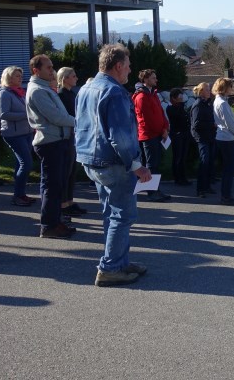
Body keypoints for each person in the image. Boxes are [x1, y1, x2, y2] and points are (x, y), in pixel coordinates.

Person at [76, 44, 150, 287]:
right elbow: (120, 136)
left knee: (111, 214)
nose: (130, 71)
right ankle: (109, 268)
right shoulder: (115, 92)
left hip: (91, 160)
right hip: (113, 162)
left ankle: (118, 262)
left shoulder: (86, 87)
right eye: (128, 66)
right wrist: (137, 165)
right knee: (123, 215)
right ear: (118, 66)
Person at [26, 55, 77, 239]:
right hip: (50, 143)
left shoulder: (44, 88)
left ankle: (55, 221)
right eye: (48, 67)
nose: (52, 70)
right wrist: (80, 121)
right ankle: (48, 225)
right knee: (52, 186)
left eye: (52, 67)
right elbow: (56, 117)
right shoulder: (38, 91)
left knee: (56, 185)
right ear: (36, 70)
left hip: (58, 141)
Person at [0, 66, 36, 207]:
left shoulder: (19, 93)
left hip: (26, 132)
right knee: (26, 163)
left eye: (20, 76)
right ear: (9, 77)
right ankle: (18, 195)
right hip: (13, 134)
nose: (20, 78)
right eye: (17, 76)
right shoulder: (4, 94)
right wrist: (26, 115)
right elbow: (4, 114)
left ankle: (21, 194)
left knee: (21, 163)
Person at [132, 69, 171, 202]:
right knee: (151, 164)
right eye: (153, 78)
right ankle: (151, 192)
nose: (156, 80)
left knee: (155, 163)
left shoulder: (153, 94)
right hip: (148, 135)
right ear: (146, 79)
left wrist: (165, 127)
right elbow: (147, 120)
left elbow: (160, 112)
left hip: (157, 133)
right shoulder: (141, 97)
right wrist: (161, 130)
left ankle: (155, 189)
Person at [57, 67, 87, 218]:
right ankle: (63, 204)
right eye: (73, 76)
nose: (76, 78)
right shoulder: (61, 94)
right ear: (65, 78)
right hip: (68, 134)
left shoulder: (71, 93)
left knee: (72, 171)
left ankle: (69, 201)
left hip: (74, 134)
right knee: (66, 171)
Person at [212, 77, 234, 204]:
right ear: (225, 88)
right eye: (230, 86)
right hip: (227, 138)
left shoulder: (218, 101)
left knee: (227, 168)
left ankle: (226, 195)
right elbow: (231, 123)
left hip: (222, 137)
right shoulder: (223, 103)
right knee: (230, 168)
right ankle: (226, 196)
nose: (232, 89)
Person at [189, 82, 216, 198]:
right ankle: (200, 189)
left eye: (209, 89)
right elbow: (196, 124)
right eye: (206, 90)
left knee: (209, 162)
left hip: (209, 136)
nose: (209, 91)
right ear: (201, 92)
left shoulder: (208, 104)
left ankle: (207, 186)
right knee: (204, 162)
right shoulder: (198, 105)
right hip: (202, 138)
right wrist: (212, 124)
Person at [166, 87, 191, 186]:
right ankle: (177, 178)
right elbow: (177, 117)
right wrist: (180, 106)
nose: (181, 98)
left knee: (183, 157)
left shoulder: (182, 106)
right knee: (178, 157)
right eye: (179, 97)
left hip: (185, 133)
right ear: (173, 98)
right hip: (177, 134)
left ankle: (183, 177)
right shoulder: (170, 108)